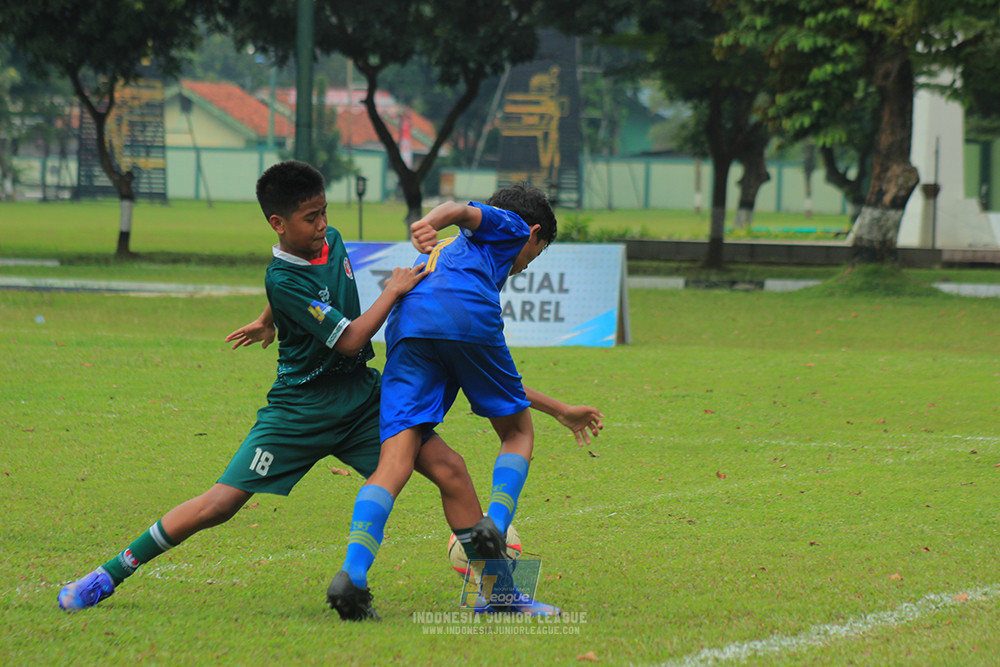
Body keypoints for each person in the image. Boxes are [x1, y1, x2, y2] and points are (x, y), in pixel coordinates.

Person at [56, 160, 481, 612]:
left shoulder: (329, 241)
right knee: (220, 504)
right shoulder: (282, 278)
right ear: (278, 223)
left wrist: (267, 318)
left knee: (450, 468)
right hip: (299, 410)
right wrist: (392, 291)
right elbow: (349, 337)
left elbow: (309, 296)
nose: (322, 225)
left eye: (323, 212)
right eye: (310, 218)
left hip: (361, 398)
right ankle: (109, 573)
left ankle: (499, 590)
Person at [327, 184, 604, 621]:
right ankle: (493, 521)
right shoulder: (509, 226)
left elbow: (483, 374)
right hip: (464, 313)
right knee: (517, 433)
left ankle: (354, 574)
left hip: (409, 325)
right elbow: (461, 210)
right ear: (531, 233)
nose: (526, 263)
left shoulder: (447, 258)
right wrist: (430, 223)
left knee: (399, 460)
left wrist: (560, 409)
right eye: (536, 252)